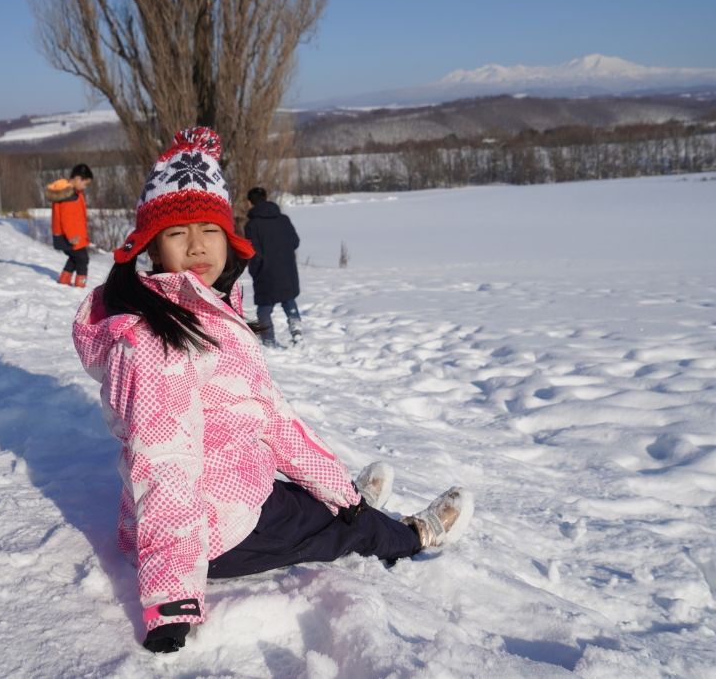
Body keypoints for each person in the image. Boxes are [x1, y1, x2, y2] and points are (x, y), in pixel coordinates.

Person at [72, 128, 472, 654]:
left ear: (227, 236)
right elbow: (165, 463)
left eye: (209, 229)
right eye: (177, 232)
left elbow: (269, 417)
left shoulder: (206, 307)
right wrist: (171, 596)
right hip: (213, 534)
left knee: (319, 504)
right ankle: (410, 536)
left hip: (234, 493)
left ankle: (346, 502)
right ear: (148, 246)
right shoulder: (160, 340)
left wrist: (338, 490)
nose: (197, 246)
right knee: (339, 532)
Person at [244, 186, 303, 347]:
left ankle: (269, 344)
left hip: (265, 273)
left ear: (250, 203)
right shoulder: (283, 219)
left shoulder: (252, 225)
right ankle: (297, 334)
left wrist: (255, 272)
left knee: (264, 311)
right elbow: (295, 242)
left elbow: (254, 253)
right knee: (289, 303)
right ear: (268, 199)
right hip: (287, 271)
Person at [46, 163, 92, 287]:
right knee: (83, 259)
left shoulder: (71, 193)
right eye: (85, 183)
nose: (85, 187)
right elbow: (67, 219)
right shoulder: (69, 195)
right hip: (70, 237)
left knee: (74, 258)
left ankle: (64, 280)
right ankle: (80, 285)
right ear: (77, 179)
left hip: (65, 236)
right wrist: (72, 237)